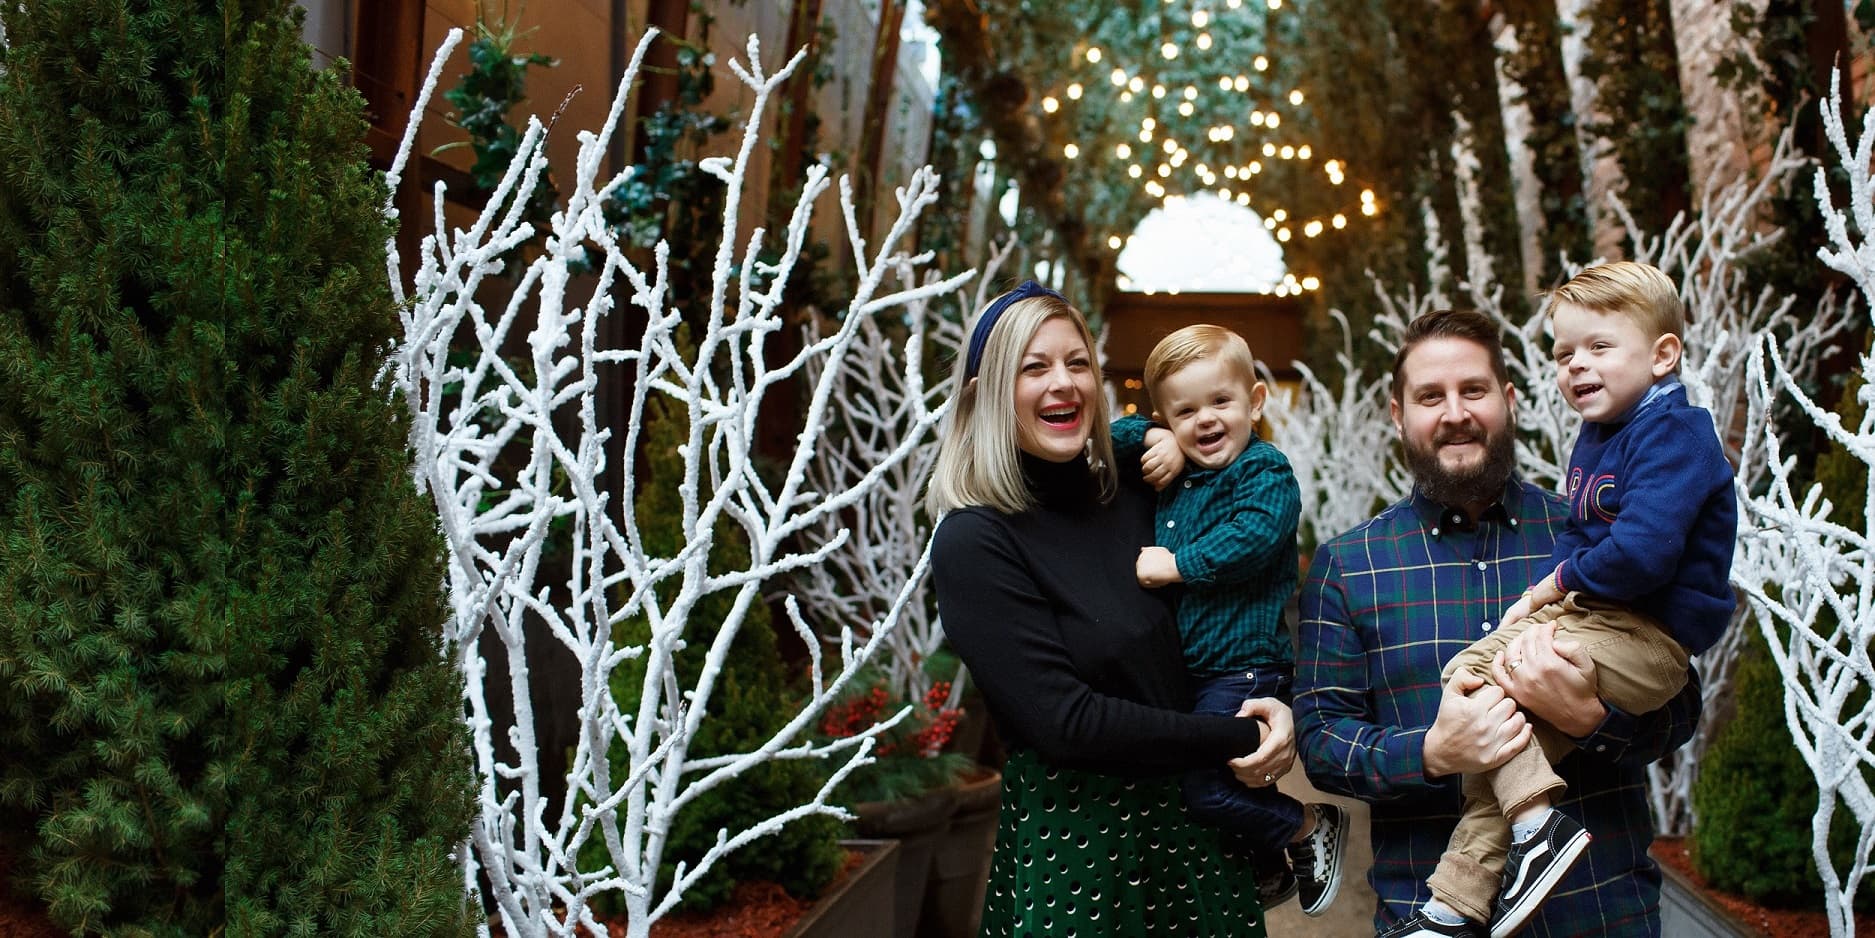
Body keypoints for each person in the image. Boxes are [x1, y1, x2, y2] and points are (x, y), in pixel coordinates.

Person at [1294, 308, 1704, 938]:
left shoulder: (1594, 537)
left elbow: (1679, 701)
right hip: (1426, 912)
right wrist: (1432, 753)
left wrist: (1591, 719)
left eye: (1474, 391)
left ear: (1509, 401)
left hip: (1600, 908)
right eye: (1431, 396)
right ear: (1398, 414)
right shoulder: (1350, 566)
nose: (1455, 413)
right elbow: (1321, 741)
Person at [928, 281, 1291, 936]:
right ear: (985, 392)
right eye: (1032, 368)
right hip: (1078, 847)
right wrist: (1243, 735)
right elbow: (1064, 720)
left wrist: (1273, 703)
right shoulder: (975, 539)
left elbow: (1237, 586)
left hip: (1196, 836)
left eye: (1076, 364)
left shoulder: (1137, 494)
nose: (1061, 383)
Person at [1406, 263, 1738, 937]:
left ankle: (1532, 828)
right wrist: (1546, 601)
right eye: (1562, 354)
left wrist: (1548, 588)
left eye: (1597, 347)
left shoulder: (1674, 432)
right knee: (1476, 697)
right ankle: (1458, 903)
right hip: (1595, 620)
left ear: (1662, 354)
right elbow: (1584, 539)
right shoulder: (1601, 432)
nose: (1575, 366)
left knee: (1493, 693)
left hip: (1650, 639)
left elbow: (1643, 553)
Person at [1112, 324, 1349, 917]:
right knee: (1215, 780)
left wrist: (1178, 565)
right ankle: (1265, 861)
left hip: (1246, 669)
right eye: (1185, 411)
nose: (1206, 421)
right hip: (1194, 669)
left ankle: (1307, 824)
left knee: (1207, 787)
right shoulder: (1178, 471)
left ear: (1256, 402)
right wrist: (1154, 433)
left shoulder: (1263, 472)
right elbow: (1108, 434)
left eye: (1221, 401)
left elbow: (1254, 538)